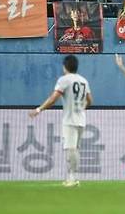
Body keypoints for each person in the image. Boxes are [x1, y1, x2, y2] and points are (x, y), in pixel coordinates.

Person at [29, 55, 93, 187]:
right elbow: (90, 100)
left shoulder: (64, 80)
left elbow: (53, 99)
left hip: (69, 120)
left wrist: (39, 109)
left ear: (65, 67)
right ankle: (73, 177)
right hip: (81, 119)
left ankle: (72, 178)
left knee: (70, 149)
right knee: (75, 149)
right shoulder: (83, 81)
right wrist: (80, 108)